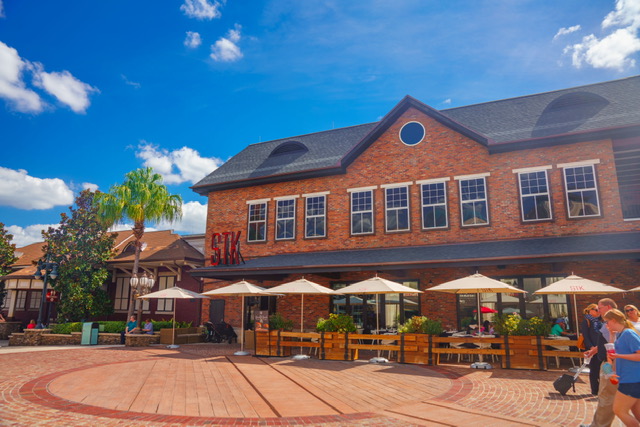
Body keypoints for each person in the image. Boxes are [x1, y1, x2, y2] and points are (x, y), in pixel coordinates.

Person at [581, 298, 619, 427]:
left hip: (610, 364)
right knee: (607, 397)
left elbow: (614, 345)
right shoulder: (608, 323)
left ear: (608, 307)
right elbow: (604, 343)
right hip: (608, 362)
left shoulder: (613, 324)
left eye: (599, 308)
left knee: (606, 397)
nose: (598, 311)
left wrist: (610, 364)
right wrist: (594, 351)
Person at [603, 308, 640, 427]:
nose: (606, 324)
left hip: (631, 379)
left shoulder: (628, 333)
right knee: (636, 411)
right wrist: (611, 334)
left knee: (619, 410)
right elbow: (613, 350)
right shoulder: (621, 334)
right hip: (631, 378)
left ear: (613, 320)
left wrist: (618, 355)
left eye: (607, 321)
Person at [582, 303, 604, 395]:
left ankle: (602, 388)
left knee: (601, 368)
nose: (598, 311)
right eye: (596, 310)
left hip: (600, 347)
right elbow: (585, 336)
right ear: (590, 310)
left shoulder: (600, 321)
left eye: (599, 309)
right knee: (594, 369)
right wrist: (591, 347)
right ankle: (595, 390)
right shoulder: (587, 321)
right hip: (592, 348)